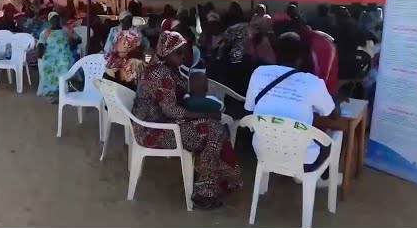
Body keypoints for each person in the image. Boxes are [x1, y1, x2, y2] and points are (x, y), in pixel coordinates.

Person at [131, 31, 243, 209]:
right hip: (153, 131)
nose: (184, 57)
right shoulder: (160, 74)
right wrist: (206, 114)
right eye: (179, 52)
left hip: (165, 123)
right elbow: (172, 109)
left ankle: (214, 181)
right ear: (166, 52)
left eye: (184, 52)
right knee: (212, 129)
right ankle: (207, 191)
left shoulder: (169, 68)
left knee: (215, 127)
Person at [244, 32, 340, 183]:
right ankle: (321, 178)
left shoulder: (259, 73)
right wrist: (333, 95)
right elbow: (334, 115)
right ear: (302, 56)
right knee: (332, 141)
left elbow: (249, 109)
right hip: (303, 158)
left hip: (263, 151)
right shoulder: (312, 82)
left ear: (275, 53)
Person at [36, 11, 81, 102]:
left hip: (64, 54)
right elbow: (41, 43)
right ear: (50, 21)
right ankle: (51, 90)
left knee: (64, 63)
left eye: (56, 19)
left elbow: (79, 40)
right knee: (46, 65)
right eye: (53, 19)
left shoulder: (66, 29)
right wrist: (40, 51)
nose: (55, 21)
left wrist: (71, 37)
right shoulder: (46, 32)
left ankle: (62, 89)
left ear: (59, 19)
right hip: (50, 55)